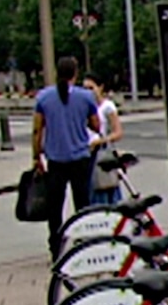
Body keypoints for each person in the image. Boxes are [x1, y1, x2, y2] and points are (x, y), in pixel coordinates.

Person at [32, 56, 101, 258]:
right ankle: (85, 243)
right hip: (80, 157)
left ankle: (56, 247)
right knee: (82, 203)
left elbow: (37, 130)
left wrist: (36, 157)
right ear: (75, 73)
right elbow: (95, 125)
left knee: (55, 206)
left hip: (55, 159)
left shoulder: (43, 98)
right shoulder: (85, 97)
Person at [84, 74, 124, 205]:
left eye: (91, 88)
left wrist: (100, 141)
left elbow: (117, 132)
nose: (88, 92)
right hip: (86, 154)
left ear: (100, 87)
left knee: (106, 187)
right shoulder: (83, 106)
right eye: (85, 88)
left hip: (102, 153)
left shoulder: (107, 107)